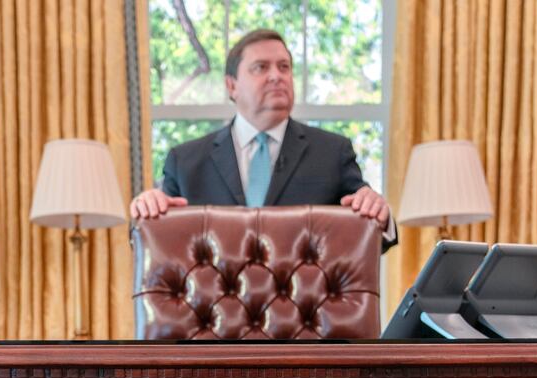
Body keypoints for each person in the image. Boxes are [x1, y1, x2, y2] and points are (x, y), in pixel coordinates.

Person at [129, 29, 393, 247]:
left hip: (307, 308)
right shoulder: (186, 161)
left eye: (284, 67)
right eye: (261, 68)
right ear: (231, 86)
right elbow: (155, 241)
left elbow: (372, 235)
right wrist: (146, 210)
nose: (276, 76)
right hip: (214, 308)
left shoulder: (332, 152)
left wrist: (380, 214)